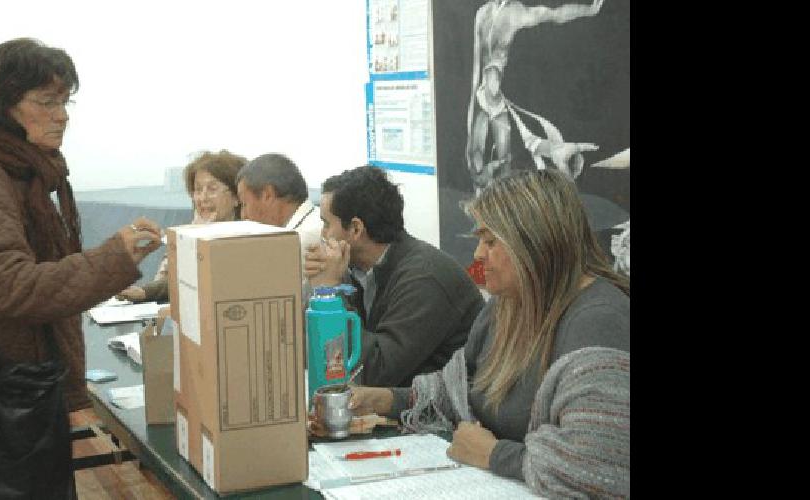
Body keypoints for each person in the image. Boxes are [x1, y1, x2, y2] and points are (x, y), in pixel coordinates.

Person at [0, 38, 162, 498]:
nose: (62, 115)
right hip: (8, 394)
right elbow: (12, 287)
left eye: (65, 101)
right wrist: (115, 257)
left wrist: (114, 257)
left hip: (22, 386)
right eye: (46, 101)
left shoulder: (23, 172)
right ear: (4, 108)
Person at [314, 169, 630, 498]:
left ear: (536, 243)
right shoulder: (506, 307)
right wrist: (385, 400)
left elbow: (599, 470)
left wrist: (493, 455)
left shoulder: (599, 322)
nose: (478, 255)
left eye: (491, 241)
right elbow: (454, 393)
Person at [303, 166, 484, 388]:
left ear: (356, 229)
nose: (322, 235)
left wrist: (329, 293)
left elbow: (372, 372)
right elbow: (306, 350)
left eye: (326, 224)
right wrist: (318, 290)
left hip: (438, 414)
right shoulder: (353, 269)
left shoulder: (424, 277)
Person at [466, 0, 605, 192]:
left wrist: (588, 11)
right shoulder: (482, 14)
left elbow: (555, 14)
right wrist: (470, 120)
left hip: (498, 104)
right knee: (476, 164)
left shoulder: (516, 12)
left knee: (504, 169)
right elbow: (475, 71)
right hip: (483, 98)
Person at [116, 150, 245, 303]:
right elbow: (172, 280)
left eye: (212, 189)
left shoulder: (245, 238)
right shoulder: (190, 231)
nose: (203, 198)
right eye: (198, 190)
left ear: (237, 197)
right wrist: (144, 292)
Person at [235, 152, 324, 273]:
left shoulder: (299, 241)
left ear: (267, 195)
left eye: (245, 204)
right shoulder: (313, 220)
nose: (243, 215)